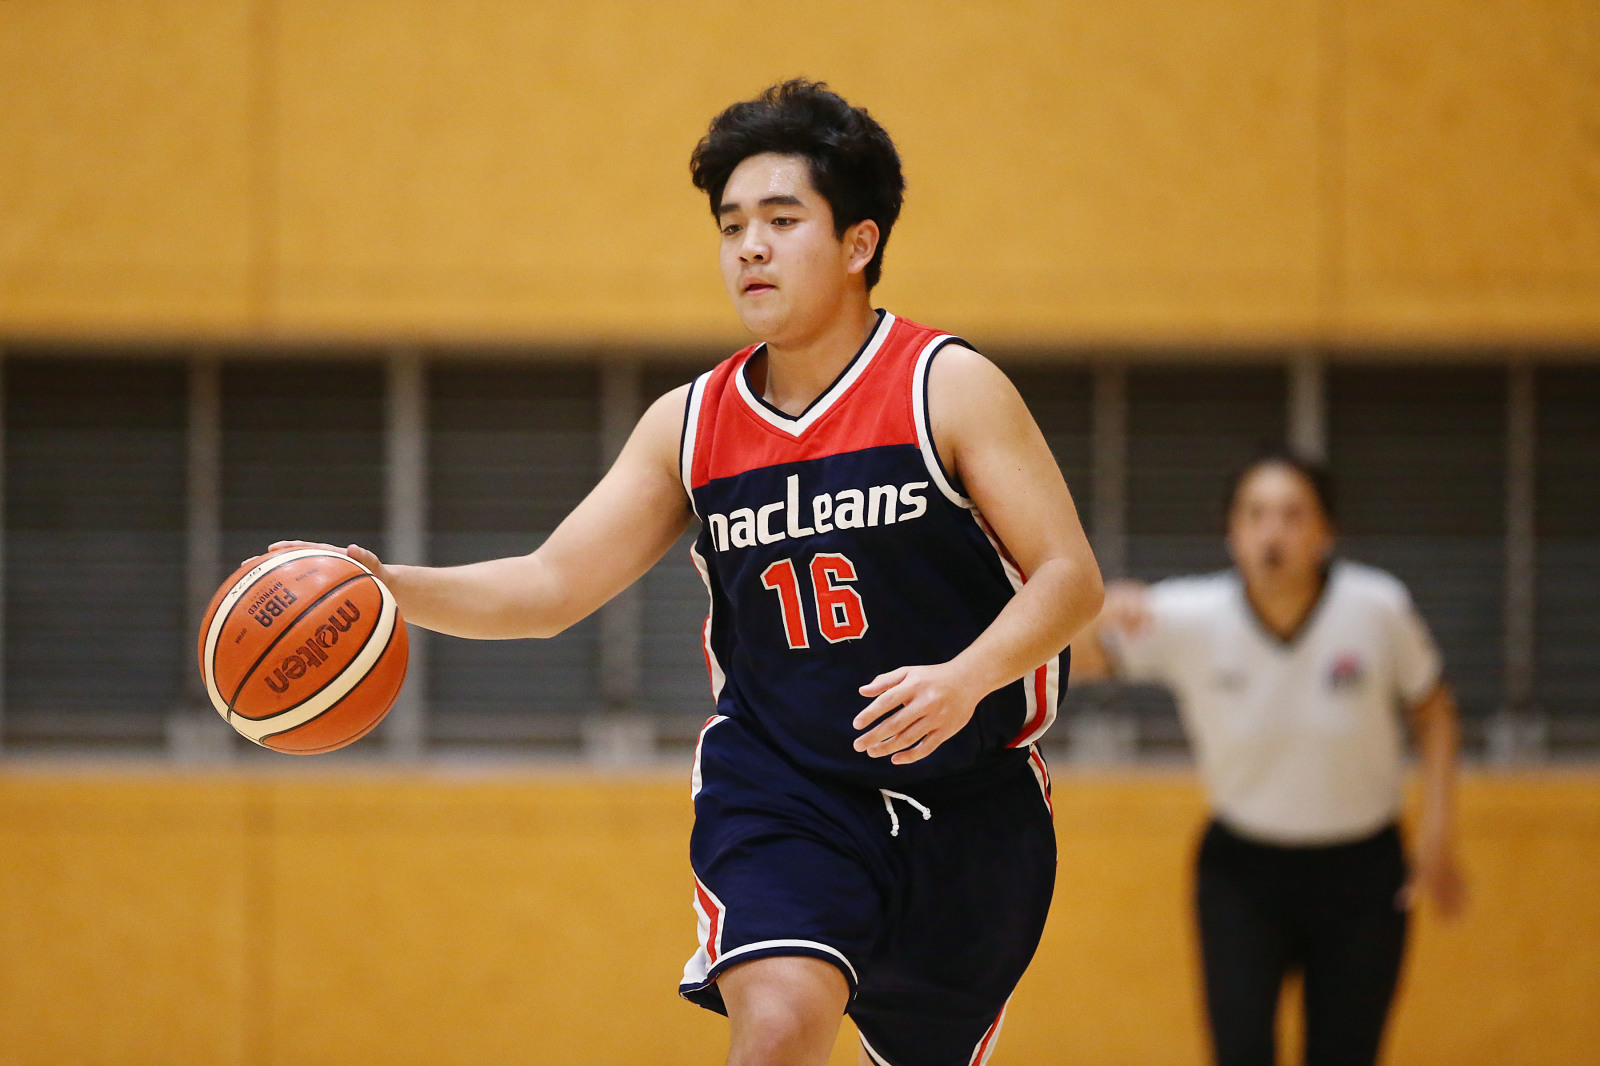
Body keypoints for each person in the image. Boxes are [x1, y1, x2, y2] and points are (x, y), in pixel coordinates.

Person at [272, 80, 1103, 1066]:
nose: (749, 247)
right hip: (786, 787)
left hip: (970, 805)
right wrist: (386, 587)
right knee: (777, 1030)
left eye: (781, 221)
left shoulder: (946, 386)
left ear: (858, 243)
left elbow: (1068, 578)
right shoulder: (691, 423)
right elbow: (549, 588)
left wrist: (966, 678)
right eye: (731, 225)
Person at [1070, 454, 1466, 1066]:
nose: (1271, 532)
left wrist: (1438, 834)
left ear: (1325, 531)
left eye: (1292, 514)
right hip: (1242, 876)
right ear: (1232, 532)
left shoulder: (1378, 608)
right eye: (1254, 515)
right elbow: (1068, 659)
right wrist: (1092, 612)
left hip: (1363, 874)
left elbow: (1435, 713)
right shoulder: (1188, 616)